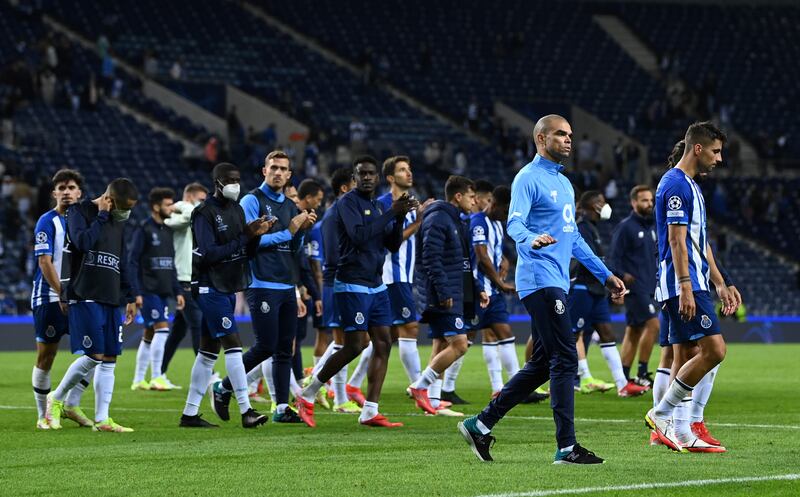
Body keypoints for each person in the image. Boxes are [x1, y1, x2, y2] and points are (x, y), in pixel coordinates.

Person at [458, 114, 626, 464]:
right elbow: (514, 223)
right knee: (565, 357)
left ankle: (481, 424)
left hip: (557, 280)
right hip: (539, 279)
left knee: (543, 361)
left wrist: (605, 274)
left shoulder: (564, 184)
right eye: (560, 134)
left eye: (570, 135)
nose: (568, 140)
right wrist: (531, 238)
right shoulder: (528, 178)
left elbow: (574, 238)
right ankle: (567, 447)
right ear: (540, 139)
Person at [296, 156, 417, 427]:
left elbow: (393, 245)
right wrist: (391, 212)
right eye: (361, 174)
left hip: (376, 284)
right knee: (354, 345)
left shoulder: (375, 206)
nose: (366, 178)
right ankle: (308, 393)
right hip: (352, 283)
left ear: (377, 177)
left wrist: (399, 219)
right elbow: (359, 235)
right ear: (354, 177)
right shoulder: (346, 204)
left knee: (384, 342)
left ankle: (370, 410)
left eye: (371, 174)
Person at [645, 122, 737, 453]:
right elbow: (676, 239)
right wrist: (685, 285)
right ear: (697, 148)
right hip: (684, 282)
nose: (720, 158)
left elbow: (699, 243)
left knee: (685, 353)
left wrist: (721, 282)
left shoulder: (692, 186)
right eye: (716, 151)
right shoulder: (675, 185)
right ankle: (661, 414)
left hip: (693, 280)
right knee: (714, 350)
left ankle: (682, 434)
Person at [210, 151, 315, 425]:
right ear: (264, 170)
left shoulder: (291, 208)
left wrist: (301, 232)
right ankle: (223, 387)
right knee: (265, 345)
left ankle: (281, 407)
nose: (278, 172)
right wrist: (289, 232)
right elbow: (250, 240)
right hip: (261, 282)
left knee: (284, 349)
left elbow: (293, 249)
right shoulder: (252, 200)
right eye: (274, 168)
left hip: (285, 283)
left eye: (283, 169)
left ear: (290, 175)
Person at [179, 162, 273, 429]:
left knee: (208, 353)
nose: (235, 184)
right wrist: (245, 237)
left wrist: (256, 234)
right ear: (217, 182)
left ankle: (189, 414)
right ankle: (246, 410)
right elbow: (208, 254)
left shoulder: (237, 210)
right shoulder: (203, 213)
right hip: (209, 286)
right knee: (233, 343)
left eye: (238, 179)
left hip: (228, 285)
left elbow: (246, 251)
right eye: (230, 180)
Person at [46, 178, 140, 432]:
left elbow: (121, 261)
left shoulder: (118, 224)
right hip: (84, 292)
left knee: (109, 358)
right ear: (108, 200)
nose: (126, 213)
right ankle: (55, 398)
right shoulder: (80, 211)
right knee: (93, 355)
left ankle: (102, 419)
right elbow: (82, 242)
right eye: (123, 207)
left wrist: (130, 296)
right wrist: (100, 216)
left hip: (111, 296)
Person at [409, 175, 489, 417]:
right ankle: (419, 386)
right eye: (471, 196)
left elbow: (461, 263)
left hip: (453, 290)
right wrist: (443, 292)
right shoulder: (438, 218)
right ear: (458, 196)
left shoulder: (455, 220)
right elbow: (431, 259)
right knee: (460, 344)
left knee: (441, 343)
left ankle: (432, 402)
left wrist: (476, 288)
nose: (474, 201)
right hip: (442, 294)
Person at [568, 191, 648, 397]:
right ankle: (581, 378)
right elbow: (585, 258)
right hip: (581, 288)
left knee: (607, 334)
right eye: (600, 202)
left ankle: (622, 384)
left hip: (596, 289)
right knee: (573, 334)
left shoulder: (592, 228)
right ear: (591, 206)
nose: (604, 206)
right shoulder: (581, 227)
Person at [31, 169, 92, 430]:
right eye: (61, 188)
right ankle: (42, 415)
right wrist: (62, 292)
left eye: (71, 187)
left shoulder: (87, 222)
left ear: (80, 193)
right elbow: (44, 261)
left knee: (99, 351)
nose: (66, 192)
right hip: (49, 296)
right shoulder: (47, 221)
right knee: (47, 356)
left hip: (80, 297)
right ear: (54, 193)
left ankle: (70, 404)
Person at [307, 166, 362, 414]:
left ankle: (316, 380)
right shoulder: (333, 216)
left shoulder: (343, 214)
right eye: (356, 182)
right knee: (344, 342)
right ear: (344, 187)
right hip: (339, 284)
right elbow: (330, 259)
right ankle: (338, 399)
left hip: (349, 283)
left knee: (358, 340)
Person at [376, 156, 433, 391]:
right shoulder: (383, 203)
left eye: (409, 169)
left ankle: (350, 386)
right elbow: (392, 242)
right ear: (391, 178)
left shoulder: (410, 203)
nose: (408, 173)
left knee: (384, 336)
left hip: (404, 275)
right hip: (391, 274)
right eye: (402, 170)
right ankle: (419, 387)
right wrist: (419, 221)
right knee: (410, 327)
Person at [129, 187, 185, 392]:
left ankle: (138, 380)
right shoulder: (144, 230)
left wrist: (177, 290)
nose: (172, 208)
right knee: (162, 330)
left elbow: (171, 264)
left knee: (149, 334)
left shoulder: (168, 231)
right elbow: (132, 261)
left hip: (163, 291)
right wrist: (136, 292)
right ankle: (157, 377)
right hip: (148, 290)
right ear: (156, 206)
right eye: (168, 204)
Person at [470, 186, 520, 398]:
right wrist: (500, 283)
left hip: (494, 293)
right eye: (506, 210)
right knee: (462, 341)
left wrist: (506, 261)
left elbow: (499, 251)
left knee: (504, 334)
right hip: (478, 290)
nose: (506, 215)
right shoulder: (478, 222)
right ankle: (442, 387)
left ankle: (516, 388)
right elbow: (481, 256)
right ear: (495, 204)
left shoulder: (498, 225)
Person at [609, 185, 660, 388]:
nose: (649, 204)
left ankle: (623, 376)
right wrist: (621, 277)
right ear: (633, 203)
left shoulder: (653, 227)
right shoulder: (625, 227)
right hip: (634, 287)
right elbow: (613, 258)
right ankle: (641, 373)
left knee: (634, 331)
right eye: (644, 200)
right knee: (653, 324)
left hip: (649, 286)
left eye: (650, 200)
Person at [160, 182, 209, 378]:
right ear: (190, 198)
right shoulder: (179, 217)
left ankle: (159, 372)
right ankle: (206, 373)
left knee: (178, 332)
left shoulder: (185, 218)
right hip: (182, 279)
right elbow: (190, 215)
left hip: (192, 278)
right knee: (198, 324)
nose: (204, 204)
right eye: (201, 200)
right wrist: (183, 204)